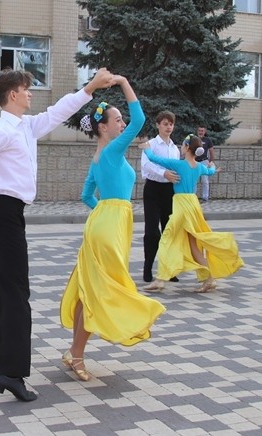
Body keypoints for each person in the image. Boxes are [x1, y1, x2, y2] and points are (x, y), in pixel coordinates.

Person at [0, 67, 116, 402]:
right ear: (12, 94)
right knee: (17, 293)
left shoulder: (26, 126)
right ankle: (11, 374)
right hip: (3, 212)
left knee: (5, 287)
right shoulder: (4, 130)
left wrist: (89, 87)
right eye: (26, 89)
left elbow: (59, 111)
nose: (30, 93)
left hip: (9, 213)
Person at [59, 77, 166, 382]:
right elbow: (142, 119)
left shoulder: (99, 157)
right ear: (103, 127)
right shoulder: (112, 151)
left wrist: (105, 213)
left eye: (121, 120)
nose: (123, 124)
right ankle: (77, 355)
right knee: (100, 292)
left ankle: (74, 352)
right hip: (109, 227)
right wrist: (123, 82)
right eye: (118, 120)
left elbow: (85, 197)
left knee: (89, 291)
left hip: (105, 224)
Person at [140, 134, 243, 293]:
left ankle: (160, 280)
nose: (181, 147)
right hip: (193, 205)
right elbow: (210, 171)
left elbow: (155, 159)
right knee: (193, 244)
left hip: (181, 205)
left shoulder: (179, 165)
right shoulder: (199, 166)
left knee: (167, 238)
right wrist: (214, 166)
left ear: (187, 148)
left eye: (182, 145)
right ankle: (209, 279)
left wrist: (146, 148)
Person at [140, 111, 180, 282]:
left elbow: (177, 169)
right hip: (153, 190)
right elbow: (146, 165)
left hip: (169, 192)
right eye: (165, 123)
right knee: (152, 232)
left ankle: (169, 270)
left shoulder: (175, 148)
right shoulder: (150, 145)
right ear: (158, 125)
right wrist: (163, 173)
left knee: (169, 231)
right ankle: (147, 267)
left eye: (171, 124)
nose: (168, 127)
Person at [196, 126, 215, 202]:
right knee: (194, 180)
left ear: (205, 131)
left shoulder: (208, 140)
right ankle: (194, 197)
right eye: (199, 130)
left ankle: (205, 197)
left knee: (205, 180)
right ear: (197, 131)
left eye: (202, 131)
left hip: (204, 162)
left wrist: (210, 161)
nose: (201, 132)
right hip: (195, 162)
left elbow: (211, 151)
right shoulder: (194, 139)